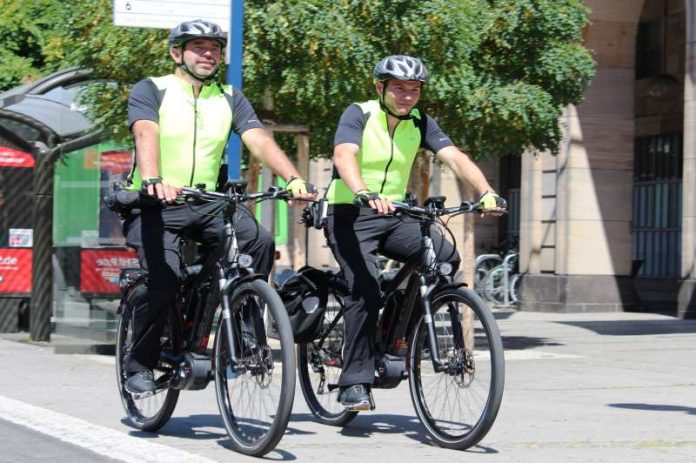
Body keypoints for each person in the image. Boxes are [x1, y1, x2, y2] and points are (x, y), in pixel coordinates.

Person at [123, 19, 312, 395]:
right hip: (157, 203)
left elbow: (258, 139)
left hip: (208, 201)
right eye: (198, 47)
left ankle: (241, 335)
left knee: (256, 240)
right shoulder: (153, 89)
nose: (209, 54)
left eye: (214, 48)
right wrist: (153, 179)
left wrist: (293, 178)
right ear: (177, 53)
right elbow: (146, 131)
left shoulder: (229, 96)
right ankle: (139, 364)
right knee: (164, 279)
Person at [325, 55, 507, 410]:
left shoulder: (420, 122)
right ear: (380, 88)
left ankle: (396, 336)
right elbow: (344, 154)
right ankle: (354, 382)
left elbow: (454, 156)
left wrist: (485, 191)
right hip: (350, 212)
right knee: (365, 288)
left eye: (414, 89)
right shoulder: (359, 113)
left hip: (394, 212)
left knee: (443, 256)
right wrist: (363, 190)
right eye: (399, 88)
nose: (407, 96)